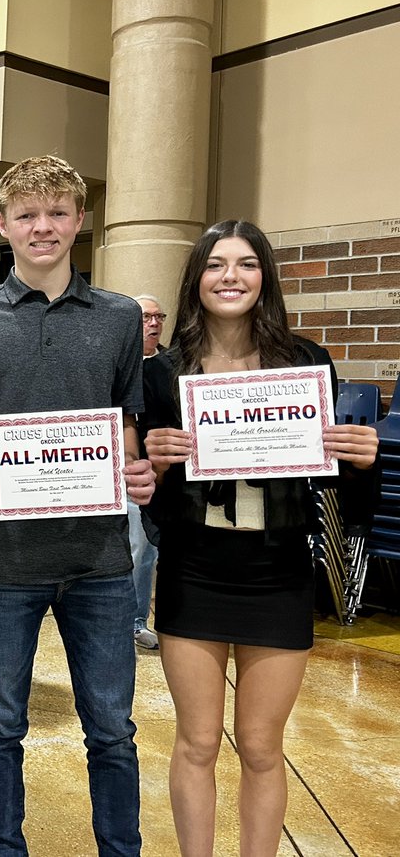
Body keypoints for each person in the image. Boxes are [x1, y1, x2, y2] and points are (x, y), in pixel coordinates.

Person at [140, 220, 378, 857]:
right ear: (197, 279)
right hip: (195, 570)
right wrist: (155, 461)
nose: (231, 277)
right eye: (216, 265)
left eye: (246, 265)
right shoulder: (165, 373)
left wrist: (361, 459)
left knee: (263, 746)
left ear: (264, 278)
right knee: (196, 743)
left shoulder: (306, 363)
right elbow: (149, 503)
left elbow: (331, 486)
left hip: (278, 574)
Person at [0, 155, 155, 856]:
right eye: (28, 215)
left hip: (100, 560)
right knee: (1, 726)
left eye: (58, 212)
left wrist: (132, 465)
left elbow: (126, 416)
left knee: (113, 730)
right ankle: (3, 850)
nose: (44, 227)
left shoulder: (121, 316)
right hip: (4, 561)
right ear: (3, 224)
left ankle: (118, 850)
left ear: (80, 221)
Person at [130, 293, 167, 650]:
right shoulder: (119, 364)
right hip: (125, 474)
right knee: (133, 549)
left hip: (161, 478)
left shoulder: (172, 366)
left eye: (158, 317)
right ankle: (125, 619)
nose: (154, 324)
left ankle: (138, 620)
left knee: (148, 552)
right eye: (146, 318)